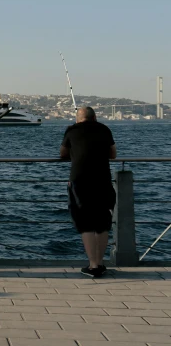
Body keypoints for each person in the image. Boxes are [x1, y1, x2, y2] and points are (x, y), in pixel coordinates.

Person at [60, 106, 117, 278]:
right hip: (102, 180)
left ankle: (92, 266)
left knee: (86, 222)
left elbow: (62, 154)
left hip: (80, 180)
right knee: (102, 222)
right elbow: (113, 154)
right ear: (95, 117)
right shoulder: (104, 129)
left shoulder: (71, 130)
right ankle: (99, 264)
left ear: (78, 118)